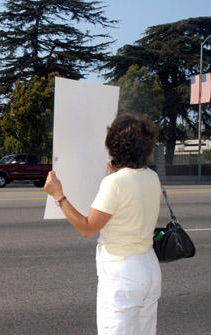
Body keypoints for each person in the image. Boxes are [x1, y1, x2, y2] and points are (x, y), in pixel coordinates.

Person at [44, 113, 161, 335]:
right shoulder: (151, 176)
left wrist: (59, 195)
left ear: (115, 146)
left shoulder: (114, 183)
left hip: (123, 271)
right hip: (149, 266)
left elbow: (87, 228)